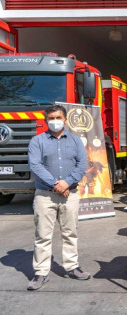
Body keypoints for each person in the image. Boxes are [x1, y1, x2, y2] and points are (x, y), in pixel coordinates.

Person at [27, 104, 90, 291]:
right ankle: (41, 272)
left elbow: (82, 164)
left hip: (70, 194)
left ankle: (72, 267)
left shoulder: (76, 141)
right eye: (51, 118)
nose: (55, 121)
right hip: (44, 196)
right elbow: (35, 165)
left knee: (70, 232)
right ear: (46, 121)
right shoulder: (37, 141)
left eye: (58, 117)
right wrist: (56, 184)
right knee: (42, 236)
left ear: (65, 119)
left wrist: (67, 182)